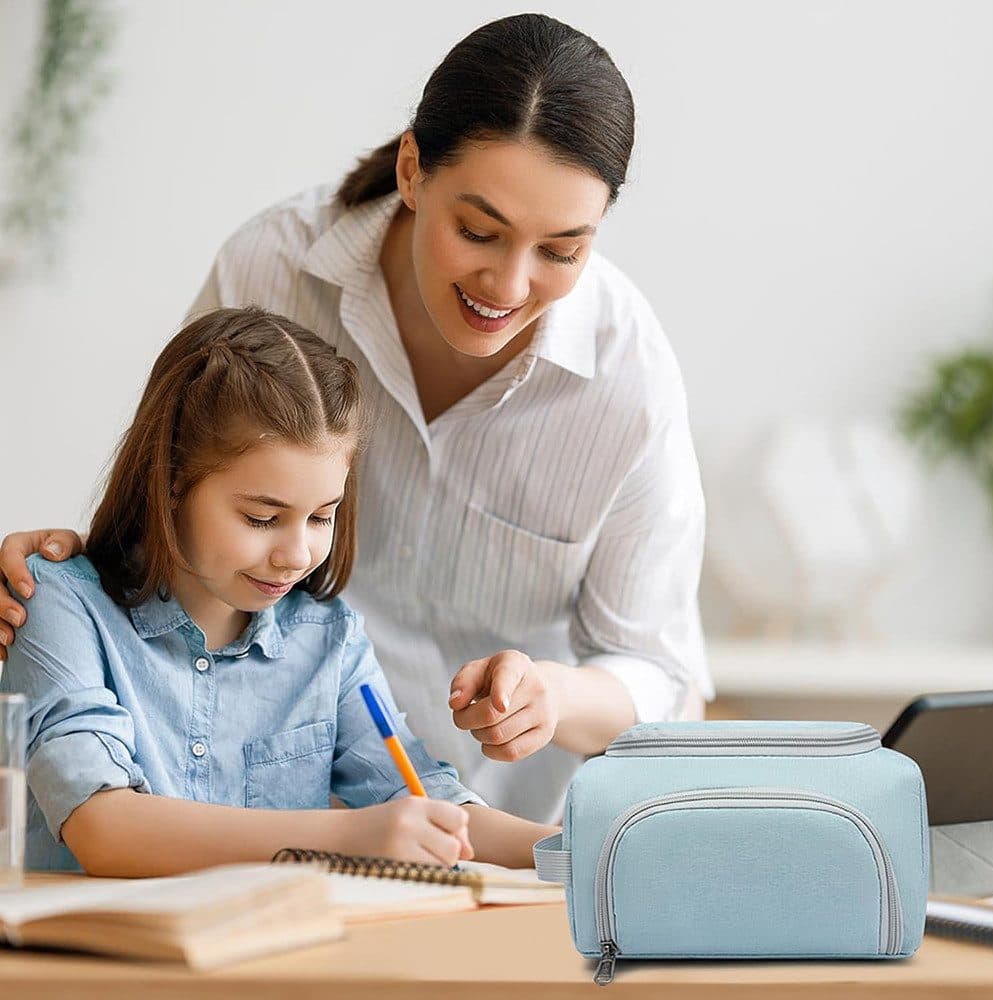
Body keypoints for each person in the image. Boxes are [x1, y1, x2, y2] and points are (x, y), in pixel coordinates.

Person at [0, 13, 712, 824]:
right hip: (221, 821)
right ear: (412, 169)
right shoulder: (270, 270)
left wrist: (554, 694)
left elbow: (660, 673)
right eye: (478, 231)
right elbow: (171, 498)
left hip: (487, 834)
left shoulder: (628, 380)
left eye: (561, 251)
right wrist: (63, 571)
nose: (510, 286)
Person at [0, 307, 556, 876]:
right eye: (263, 518)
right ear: (169, 483)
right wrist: (349, 835)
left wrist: (579, 847)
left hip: (274, 958)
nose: (297, 555)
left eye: (321, 517)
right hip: (89, 963)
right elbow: (102, 828)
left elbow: (425, 801)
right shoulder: (59, 604)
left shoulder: (329, 638)